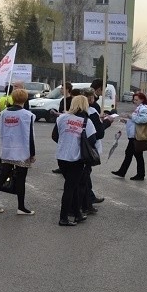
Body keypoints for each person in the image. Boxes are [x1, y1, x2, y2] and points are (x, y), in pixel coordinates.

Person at [0, 88, 35, 215]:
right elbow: (30, 135)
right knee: (21, 179)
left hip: (7, 149)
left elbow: (1, 130)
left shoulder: (4, 113)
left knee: (2, 175)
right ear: (25, 99)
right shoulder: (27, 115)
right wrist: (32, 153)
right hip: (22, 150)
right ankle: (21, 207)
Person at [52, 95, 97, 226]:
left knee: (74, 185)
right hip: (76, 158)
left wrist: (65, 141)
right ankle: (63, 218)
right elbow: (93, 140)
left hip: (61, 157)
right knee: (70, 188)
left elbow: (55, 135)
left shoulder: (62, 118)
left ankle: (77, 214)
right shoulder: (86, 122)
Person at [111, 92, 147, 181]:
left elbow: (144, 119)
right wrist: (126, 121)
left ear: (142, 100)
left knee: (133, 154)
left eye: (136, 100)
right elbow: (136, 120)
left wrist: (130, 117)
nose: (134, 101)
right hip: (134, 134)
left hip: (136, 135)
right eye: (134, 99)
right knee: (135, 154)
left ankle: (131, 173)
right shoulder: (139, 108)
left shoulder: (144, 108)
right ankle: (127, 172)